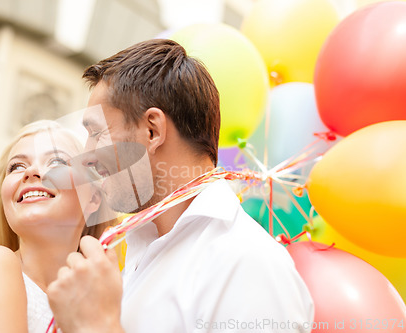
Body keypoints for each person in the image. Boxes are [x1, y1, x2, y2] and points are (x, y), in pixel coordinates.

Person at [47, 39, 314, 333]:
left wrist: (98, 326)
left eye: (97, 132)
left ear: (152, 131)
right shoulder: (139, 251)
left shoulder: (247, 264)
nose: (86, 155)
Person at [0, 120, 112, 332]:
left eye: (57, 162)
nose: (31, 171)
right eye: (16, 166)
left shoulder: (106, 296)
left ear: (93, 198)